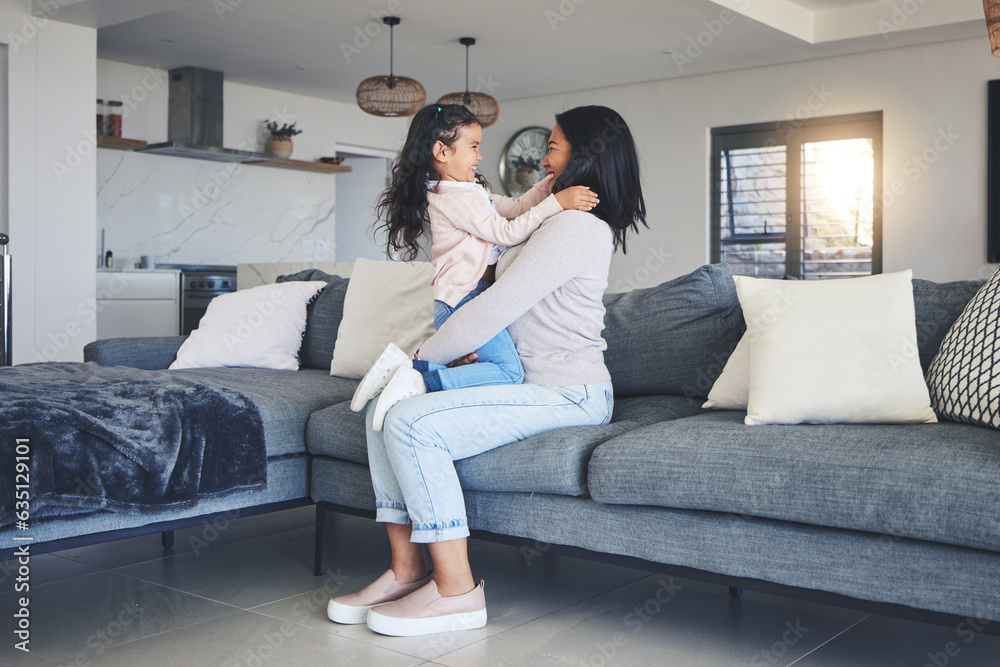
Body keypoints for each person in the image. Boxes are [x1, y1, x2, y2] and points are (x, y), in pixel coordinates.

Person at [328, 105, 647, 637]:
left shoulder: (576, 227)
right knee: (383, 414)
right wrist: (459, 354)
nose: (544, 157)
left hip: (569, 391)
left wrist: (423, 362)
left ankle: (457, 592)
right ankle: (407, 570)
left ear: (585, 156)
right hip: (521, 377)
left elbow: (495, 306)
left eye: (555, 146)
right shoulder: (548, 215)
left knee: (410, 421)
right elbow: (499, 294)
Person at [350, 104, 599, 430]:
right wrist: (556, 203)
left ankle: (403, 371)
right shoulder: (452, 197)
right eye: (473, 147)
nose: (479, 156)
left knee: (496, 367)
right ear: (441, 151)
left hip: (469, 295)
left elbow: (515, 207)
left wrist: (547, 186)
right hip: (463, 298)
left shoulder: (471, 191)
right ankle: (421, 376)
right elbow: (506, 232)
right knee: (509, 371)